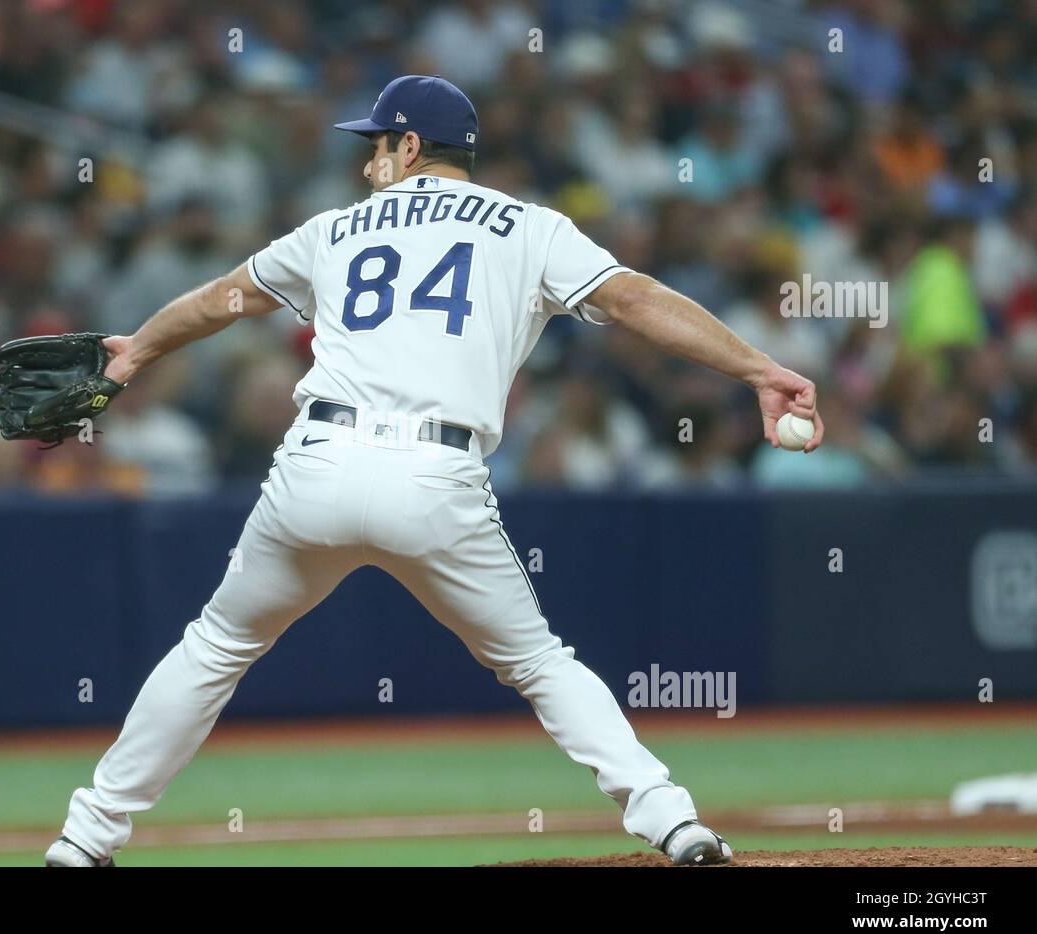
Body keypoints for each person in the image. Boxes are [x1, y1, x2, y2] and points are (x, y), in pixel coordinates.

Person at [45, 75, 824, 867]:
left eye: (376, 144)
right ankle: (674, 823)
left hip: (316, 463)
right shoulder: (530, 227)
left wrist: (136, 349)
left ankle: (87, 836)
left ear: (410, 145)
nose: (366, 163)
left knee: (214, 646)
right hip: (435, 471)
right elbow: (634, 299)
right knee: (540, 662)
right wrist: (760, 369)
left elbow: (222, 299)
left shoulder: (334, 230)